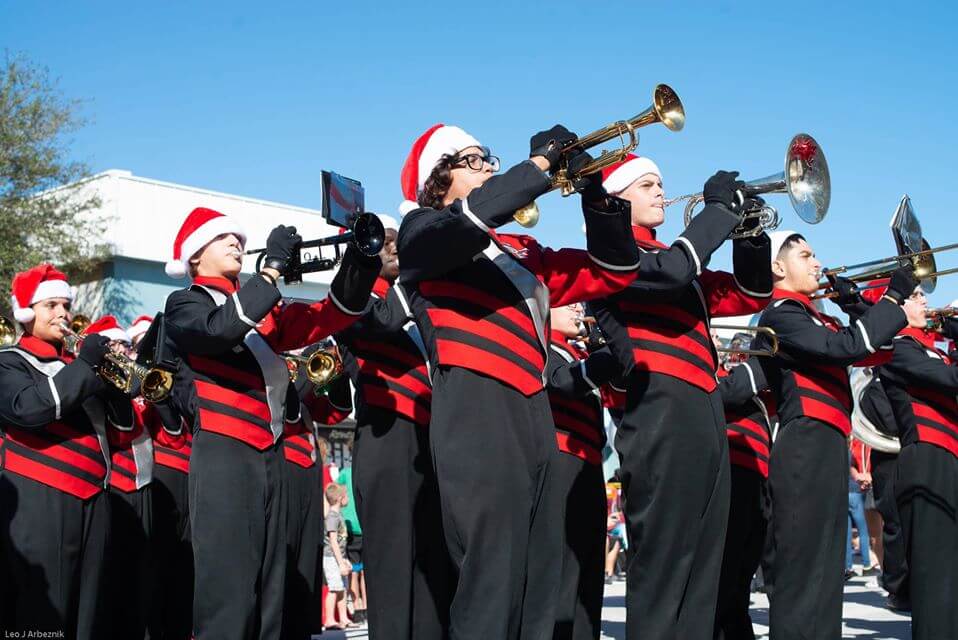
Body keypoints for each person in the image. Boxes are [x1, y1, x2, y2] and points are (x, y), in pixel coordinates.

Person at [397, 123, 644, 640]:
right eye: (473, 158)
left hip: (535, 415)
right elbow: (468, 222)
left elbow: (615, 268)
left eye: (489, 156)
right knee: (491, 588)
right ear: (438, 179)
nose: (489, 164)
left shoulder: (519, 249)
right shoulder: (423, 231)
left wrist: (594, 191)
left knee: (538, 586)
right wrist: (535, 169)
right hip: (475, 411)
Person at [162, 206, 380, 639]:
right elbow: (218, 330)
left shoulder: (259, 308)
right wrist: (273, 271)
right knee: (229, 590)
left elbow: (330, 314)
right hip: (225, 453)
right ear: (193, 257)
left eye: (239, 238)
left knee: (272, 593)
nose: (236, 243)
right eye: (221, 238)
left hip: (272, 456)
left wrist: (360, 257)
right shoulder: (185, 302)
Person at [589, 154, 774, 639]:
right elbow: (670, 271)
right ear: (617, 197)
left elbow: (750, 295)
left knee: (703, 561)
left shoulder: (676, 257)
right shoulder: (614, 253)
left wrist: (749, 228)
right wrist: (717, 211)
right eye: (647, 184)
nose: (662, 192)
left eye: (661, 182)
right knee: (666, 563)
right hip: (659, 411)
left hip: (703, 406)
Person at [756, 231, 915, 639]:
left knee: (826, 571)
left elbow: (879, 350)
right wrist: (891, 300)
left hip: (827, 442)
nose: (816, 262)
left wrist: (855, 303)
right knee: (802, 568)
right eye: (806, 255)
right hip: (804, 441)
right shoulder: (781, 313)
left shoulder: (811, 313)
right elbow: (843, 348)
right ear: (777, 267)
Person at [334, 214, 450, 639]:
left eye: (399, 240)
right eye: (383, 241)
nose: (396, 247)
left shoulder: (417, 300)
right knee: (395, 569)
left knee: (433, 565)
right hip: (388, 436)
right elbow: (377, 323)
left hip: (428, 439)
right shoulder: (352, 298)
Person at [0, 264, 116, 638]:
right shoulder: (8, 362)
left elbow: (121, 426)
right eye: (50, 304)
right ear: (26, 313)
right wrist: (85, 366)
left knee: (90, 609)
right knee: (43, 613)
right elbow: (30, 409)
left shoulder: (74, 367)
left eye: (66, 304)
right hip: (41, 494)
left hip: (94, 497)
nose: (63, 314)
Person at [878, 284, 958, 638]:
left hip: (947, 457)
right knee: (936, 571)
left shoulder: (932, 350)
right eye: (914, 296)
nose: (925, 300)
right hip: (927, 460)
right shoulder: (898, 348)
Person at [545, 303, 622, 640]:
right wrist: (614, 350)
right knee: (563, 576)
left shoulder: (577, 354)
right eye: (571, 301)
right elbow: (562, 384)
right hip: (560, 464)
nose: (580, 308)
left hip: (588, 467)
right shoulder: (542, 345)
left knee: (588, 582)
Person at [82, 315, 156, 640]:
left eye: (127, 345)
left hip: (143, 487)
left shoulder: (132, 381)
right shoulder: (101, 384)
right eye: (119, 345)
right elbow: (123, 430)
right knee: (115, 581)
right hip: (116, 488)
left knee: (141, 581)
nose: (126, 352)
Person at [713, 348, 771, 640]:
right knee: (727, 568)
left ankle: (735, 627)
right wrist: (762, 364)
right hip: (731, 476)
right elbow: (728, 393)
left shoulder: (747, 386)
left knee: (743, 568)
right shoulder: (713, 376)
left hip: (757, 479)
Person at [324, 482, 357, 631]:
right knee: (334, 588)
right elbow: (333, 542)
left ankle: (343, 618)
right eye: (346, 495)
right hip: (331, 557)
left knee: (342, 587)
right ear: (339, 498)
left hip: (338, 557)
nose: (348, 498)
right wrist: (340, 562)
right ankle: (330, 619)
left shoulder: (339, 515)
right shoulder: (332, 517)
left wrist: (344, 560)